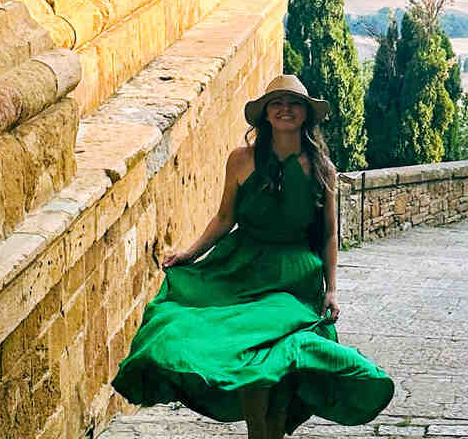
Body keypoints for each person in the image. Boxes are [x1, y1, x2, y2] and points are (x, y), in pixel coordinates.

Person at [112, 74, 395, 438]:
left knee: (278, 360)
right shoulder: (240, 160)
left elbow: (328, 234)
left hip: (295, 277)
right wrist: (189, 253)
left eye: (293, 104)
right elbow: (224, 218)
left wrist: (332, 288)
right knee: (220, 344)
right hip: (240, 268)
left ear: (306, 115)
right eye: (277, 104)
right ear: (265, 114)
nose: (285, 110)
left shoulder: (321, 168)